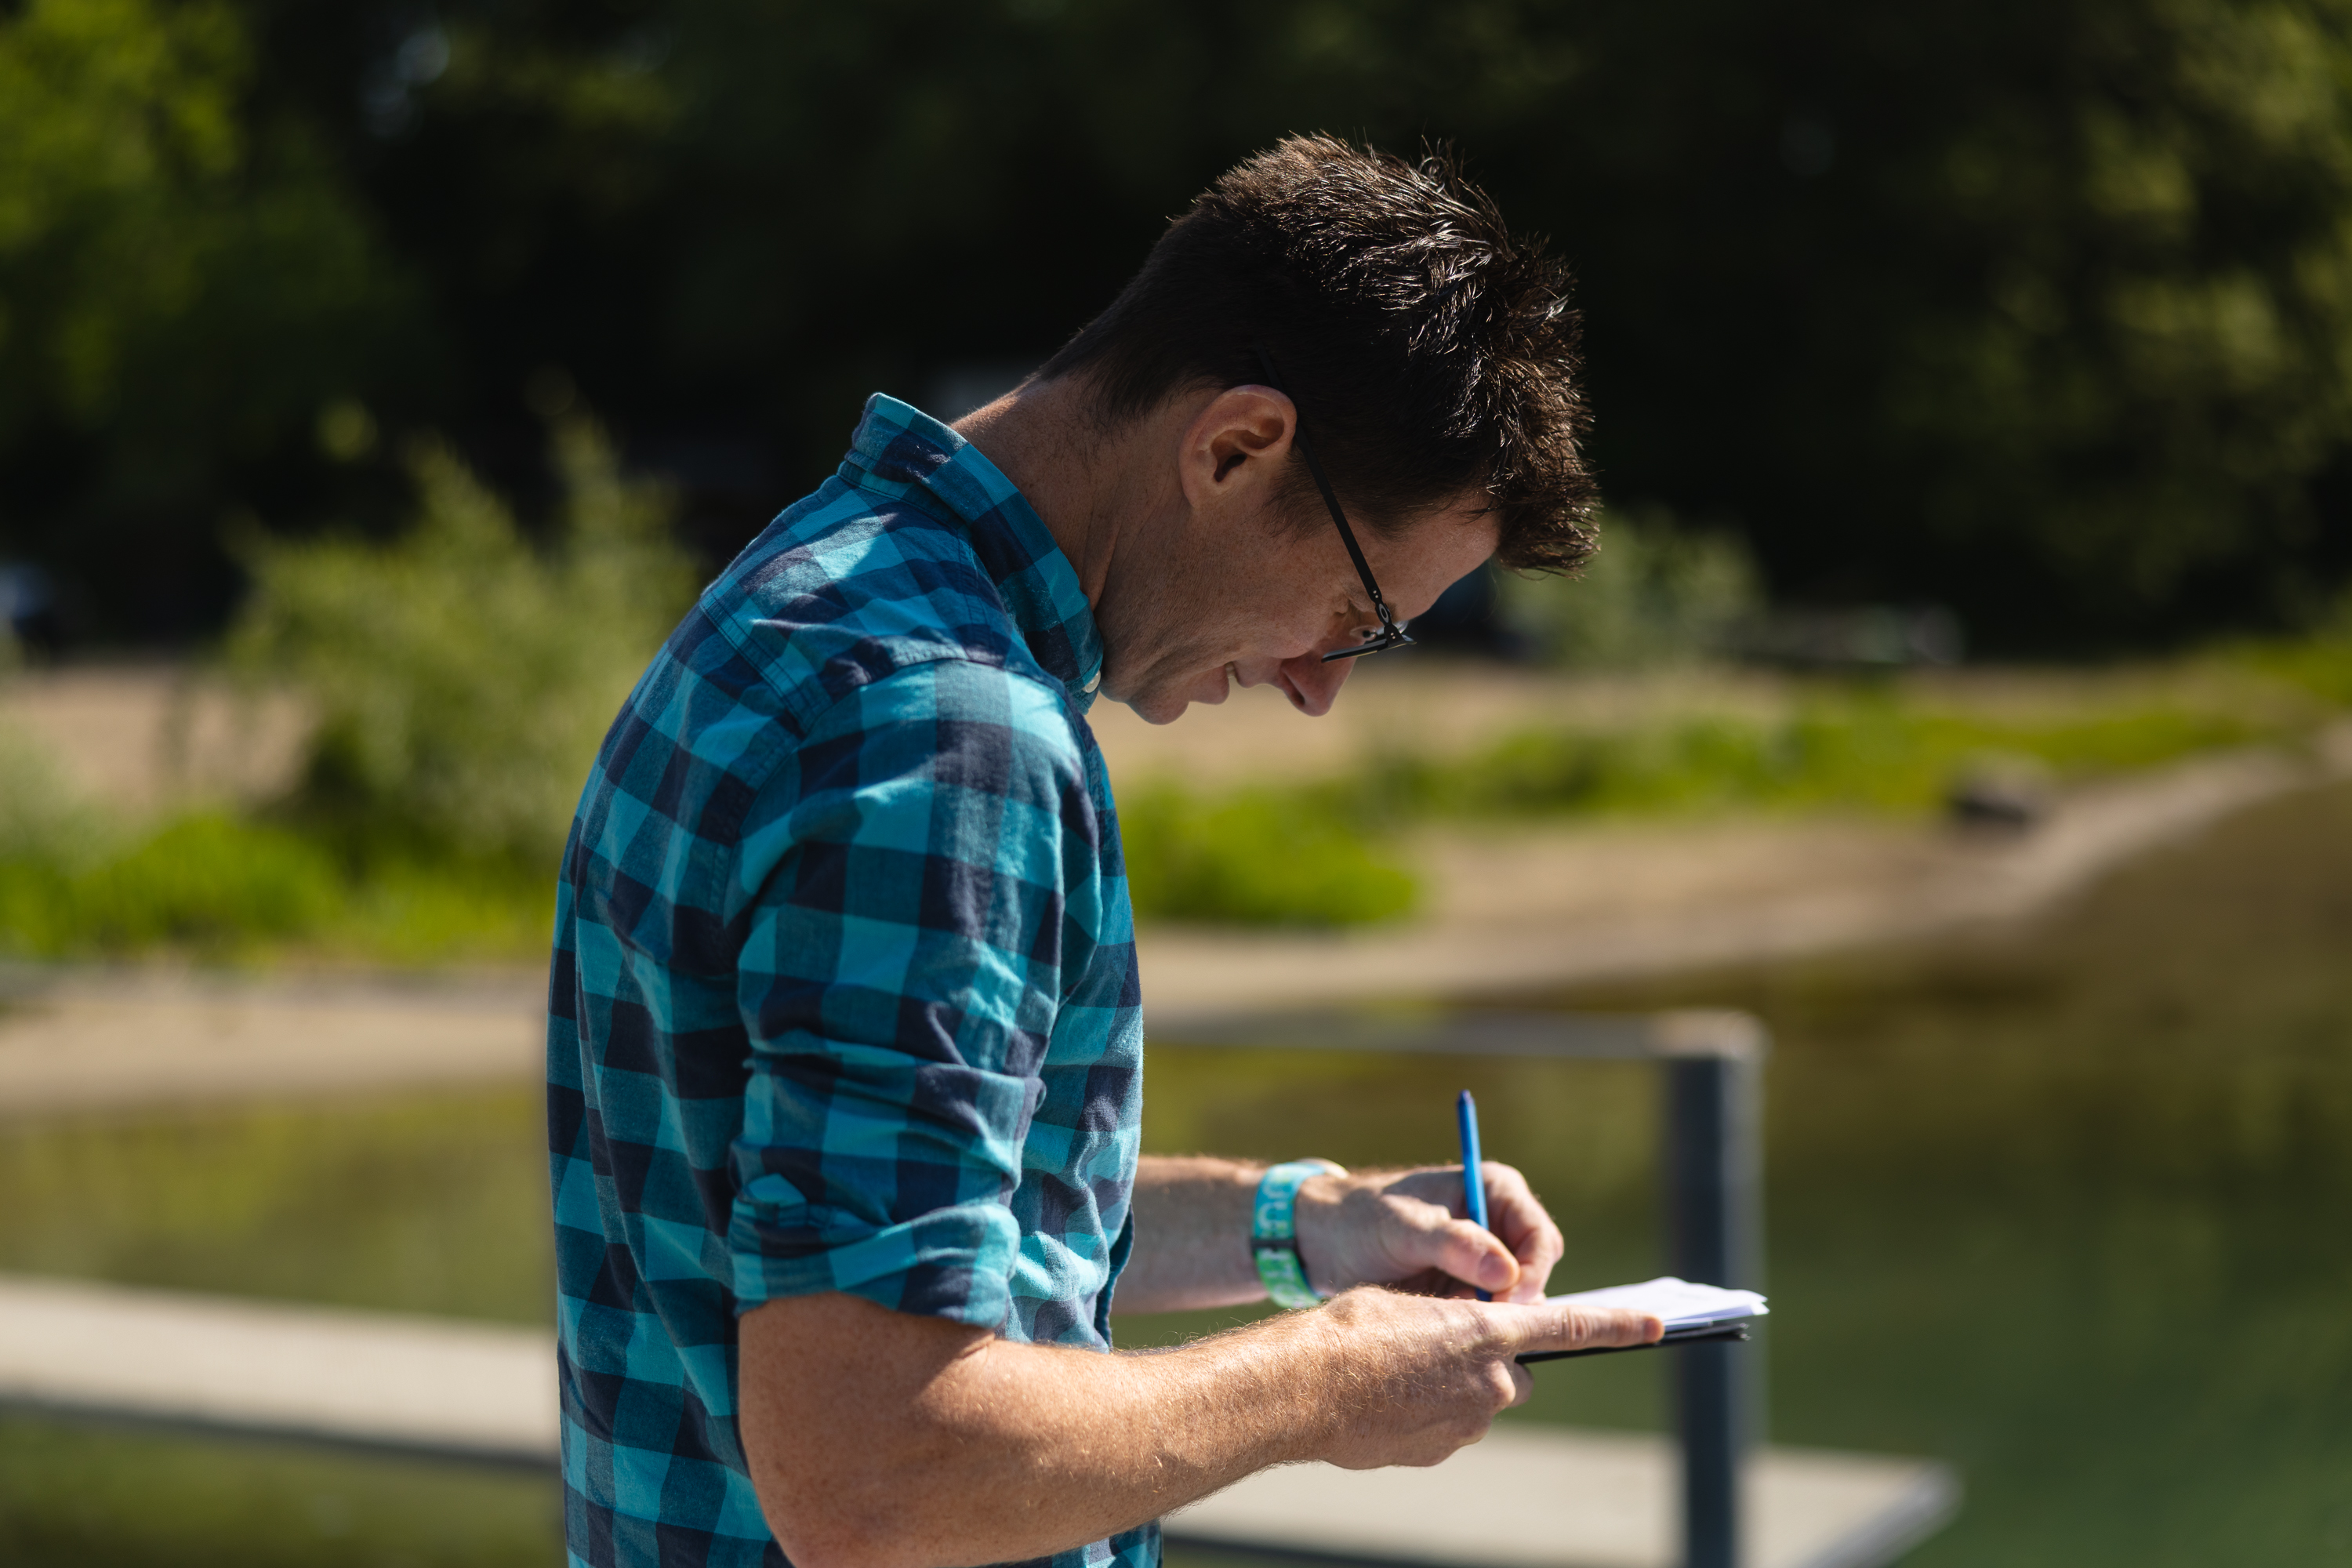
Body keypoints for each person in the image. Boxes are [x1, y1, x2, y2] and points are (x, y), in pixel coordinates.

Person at [546, 134, 1661, 1568]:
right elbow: (875, 1471)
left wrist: (1312, 1223)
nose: (1321, 687)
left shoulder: (810, 588)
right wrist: (1328, 1379)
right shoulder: (957, 738)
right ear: (1234, 448)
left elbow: (886, 1213)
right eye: (1358, 613)